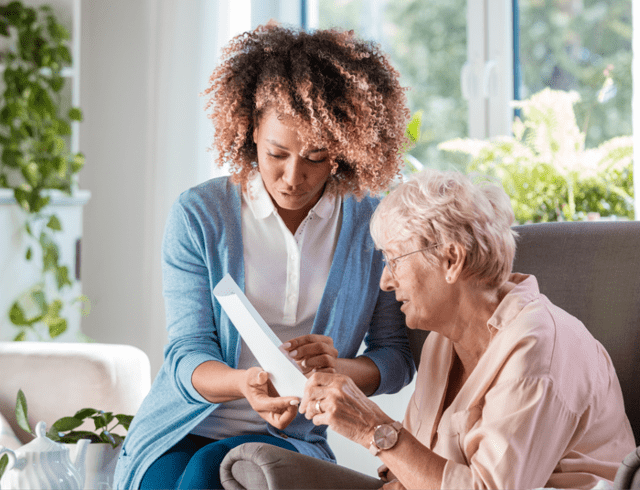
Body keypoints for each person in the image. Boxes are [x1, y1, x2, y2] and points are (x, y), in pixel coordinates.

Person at [113, 24, 415, 490]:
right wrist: (243, 384)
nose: (293, 176)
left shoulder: (371, 227)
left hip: (289, 434)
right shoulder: (199, 215)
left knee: (206, 475)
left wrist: (335, 371)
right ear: (252, 130)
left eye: (316, 157)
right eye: (277, 153)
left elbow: (395, 358)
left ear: (343, 150)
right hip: (184, 425)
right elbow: (187, 352)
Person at [300, 169, 636, 489]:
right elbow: (417, 470)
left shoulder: (539, 348)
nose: (386, 281)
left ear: (451, 260)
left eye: (395, 260)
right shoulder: (439, 344)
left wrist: (371, 427)